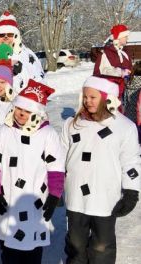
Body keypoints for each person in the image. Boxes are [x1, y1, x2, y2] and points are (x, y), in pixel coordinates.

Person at [0, 80, 65, 264]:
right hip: (9, 199)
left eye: (28, 111)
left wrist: (54, 195)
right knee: (10, 247)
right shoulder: (4, 132)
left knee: (32, 248)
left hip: (35, 200)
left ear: (37, 113)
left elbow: (56, 168)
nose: (21, 113)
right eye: (19, 108)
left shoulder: (48, 134)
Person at [61, 76, 140, 264]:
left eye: (93, 97)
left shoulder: (124, 127)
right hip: (76, 197)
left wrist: (131, 191)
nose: (87, 101)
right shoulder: (72, 124)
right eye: (85, 97)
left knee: (102, 246)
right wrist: (54, 188)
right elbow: (59, 157)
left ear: (107, 97)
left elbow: (131, 161)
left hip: (104, 197)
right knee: (75, 243)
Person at [0, 11, 44, 94]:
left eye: (9, 34)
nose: (5, 38)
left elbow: (39, 84)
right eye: (1, 35)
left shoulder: (27, 56)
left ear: (15, 36)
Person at [93, 24, 132, 101]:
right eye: (125, 36)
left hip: (123, 90)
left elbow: (130, 68)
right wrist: (120, 72)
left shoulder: (124, 53)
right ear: (118, 38)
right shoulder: (106, 53)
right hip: (109, 91)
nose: (127, 38)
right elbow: (101, 71)